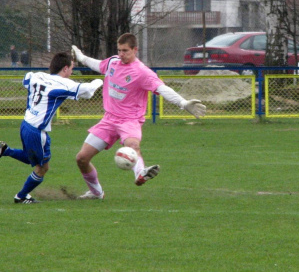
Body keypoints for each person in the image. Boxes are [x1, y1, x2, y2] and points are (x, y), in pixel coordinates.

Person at [71, 33, 206, 199]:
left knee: (132, 145)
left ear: (135, 50)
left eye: (125, 51)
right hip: (109, 119)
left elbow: (162, 89)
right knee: (82, 158)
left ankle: (140, 173)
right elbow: (98, 65)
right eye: (119, 50)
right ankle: (96, 193)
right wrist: (81, 57)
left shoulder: (142, 72)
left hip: (129, 120)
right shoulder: (113, 62)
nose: (121, 54)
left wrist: (183, 103)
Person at [0, 51, 103, 204]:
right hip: (37, 131)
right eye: (71, 68)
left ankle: (5, 150)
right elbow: (88, 92)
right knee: (42, 168)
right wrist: (101, 81)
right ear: (65, 69)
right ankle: (21, 196)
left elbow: (26, 79)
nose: (72, 72)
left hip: (26, 124)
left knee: (30, 158)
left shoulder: (37, 75)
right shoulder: (63, 83)